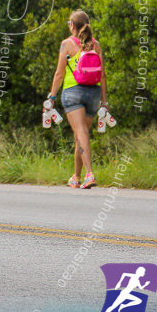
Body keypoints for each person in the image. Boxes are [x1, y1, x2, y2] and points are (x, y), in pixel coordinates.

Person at [46, 10, 108, 189]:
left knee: (81, 134)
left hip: (73, 93)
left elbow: (59, 74)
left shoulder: (66, 44)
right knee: (80, 135)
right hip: (94, 94)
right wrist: (104, 101)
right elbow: (102, 75)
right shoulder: (96, 45)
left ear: (72, 26)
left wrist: (51, 97)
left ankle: (89, 174)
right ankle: (77, 177)